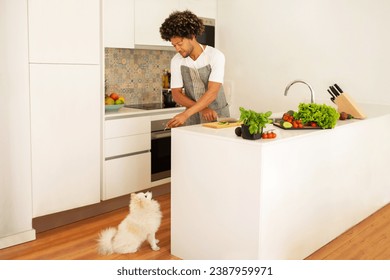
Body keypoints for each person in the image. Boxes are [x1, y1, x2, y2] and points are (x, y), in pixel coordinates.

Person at [160, 10, 230, 128]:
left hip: (217, 115)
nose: (177, 49)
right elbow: (176, 95)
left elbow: (212, 93)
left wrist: (185, 114)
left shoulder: (215, 56)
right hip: (193, 118)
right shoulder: (176, 61)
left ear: (192, 36)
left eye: (180, 44)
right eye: (174, 45)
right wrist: (202, 109)